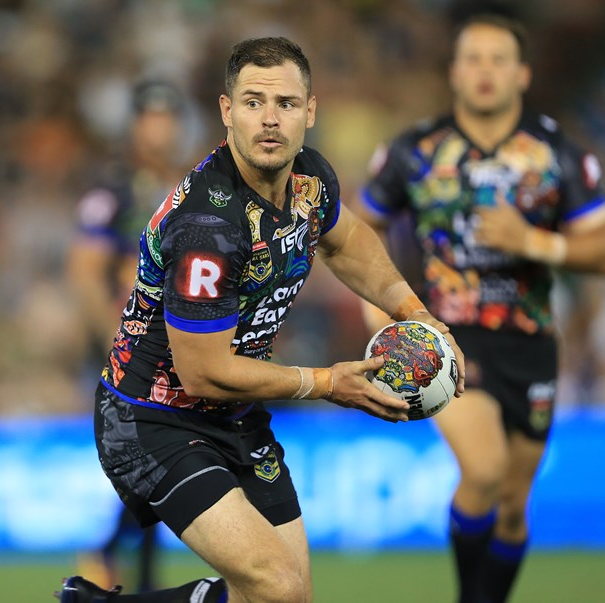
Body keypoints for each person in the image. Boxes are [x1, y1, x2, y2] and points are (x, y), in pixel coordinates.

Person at [55, 36, 464, 603]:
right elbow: (202, 372)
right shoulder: (207, 226)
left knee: (287, 598)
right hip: (151, 419)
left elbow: (344, 241)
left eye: (286, 104)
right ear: (227, 112)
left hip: (234, 412)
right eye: (253, 103)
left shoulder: (310, 181)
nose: (270, 121)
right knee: (272, 585)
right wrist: (326, 383)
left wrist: (415, 312)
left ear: (310, 111)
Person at [357, 13, 605, 603]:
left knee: (511, 511)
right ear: (453, 72)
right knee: (482, 470)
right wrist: (378, 308)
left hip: (530, 343)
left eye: (498, 59)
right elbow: (353, 231)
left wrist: (532, 241)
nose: (484, 71)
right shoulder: (415, 151)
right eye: (472, 58)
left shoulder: (554, 152)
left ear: (522, 74)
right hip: (446, 337)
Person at [67, 80, 193, 593]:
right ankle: (126, 571)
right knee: (148, 462)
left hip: (179, 349)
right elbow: (83, 269)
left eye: (167, 118)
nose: (158, 128)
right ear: (136, 124)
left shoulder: (194, 186)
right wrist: (111, 341)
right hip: (132, 351)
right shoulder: (114, 192)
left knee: (156, 466)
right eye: (150, 117)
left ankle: (111, 560)